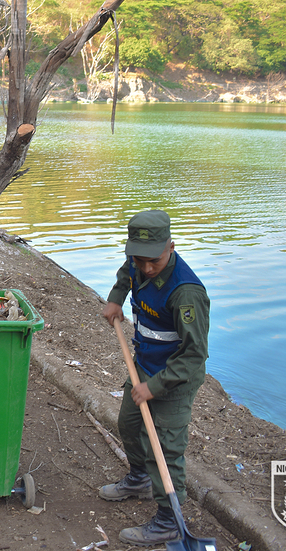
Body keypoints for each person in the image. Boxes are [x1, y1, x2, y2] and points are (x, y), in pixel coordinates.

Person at [100, 210, 210, 546]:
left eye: (155, 261)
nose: (147, 268)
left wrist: (155, 387)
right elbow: (127, 273)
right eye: (140, 259)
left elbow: (194, 356)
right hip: (144, 365)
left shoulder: (186, 293)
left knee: (164, 447)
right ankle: (139, 479)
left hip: (175, 379)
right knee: (129, 425)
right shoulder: (137, 261)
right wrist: (115, 299)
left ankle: (168, 521)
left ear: (171, 247)